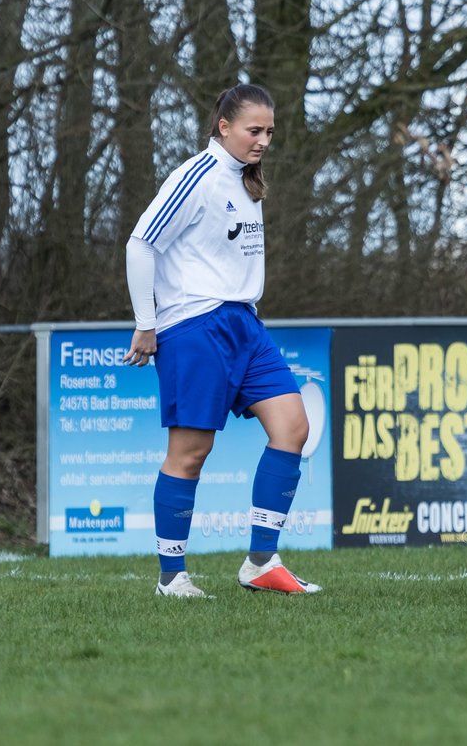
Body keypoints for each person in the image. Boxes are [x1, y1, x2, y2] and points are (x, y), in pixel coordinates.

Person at [122, 83, 320, 598]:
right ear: (224, 127)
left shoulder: (244, 180)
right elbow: (141, 244)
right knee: (191, 452)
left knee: (293, 428)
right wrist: (147, 322)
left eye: (270, 132)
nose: (263, 141)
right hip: (194, 327)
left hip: (244, 325)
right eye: (254, 131)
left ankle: (260, 561)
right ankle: (172, 577)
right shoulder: (197, 176)